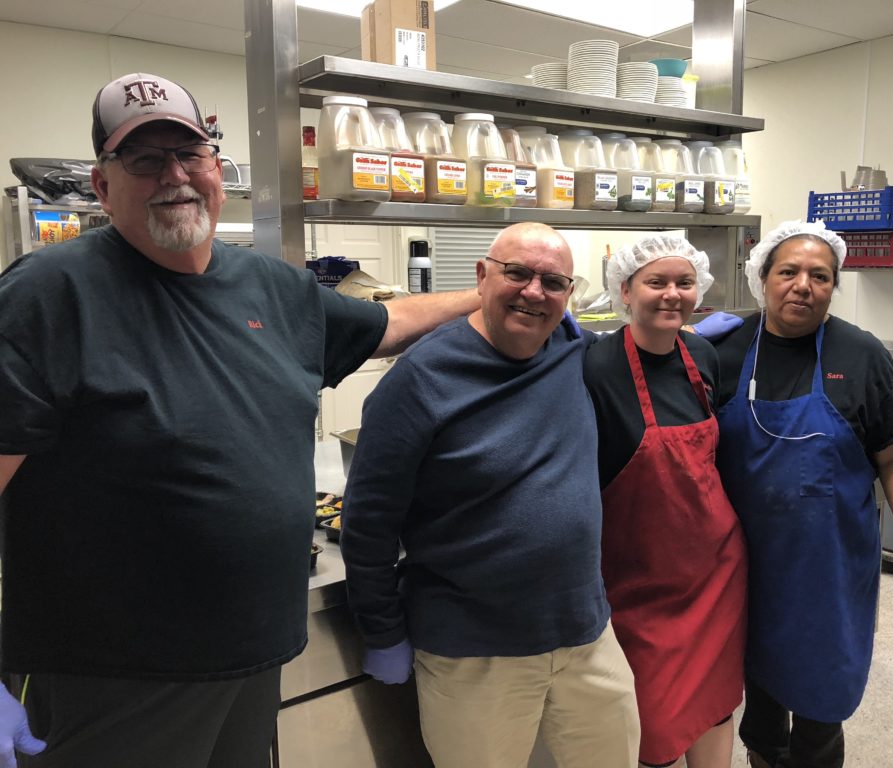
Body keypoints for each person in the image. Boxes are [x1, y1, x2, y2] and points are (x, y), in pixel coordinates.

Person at [0, 71, 478, 768]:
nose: (175, 175)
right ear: (102, 187)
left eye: (190, 154)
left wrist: (496, 287)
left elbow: (390, 322)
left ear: (217, 169)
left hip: (252, 659)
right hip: (111, 677)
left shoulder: (272, 287)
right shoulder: (49, 295)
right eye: (145, 159)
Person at [341, 222, 641, 768]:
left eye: (553, 282)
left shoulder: (573, 350)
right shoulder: (419, 380)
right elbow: (370, 522)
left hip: (585, 635)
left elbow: (643, 345)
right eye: (518, 273)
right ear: (481, 276)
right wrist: (382, 630)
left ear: (568, 296)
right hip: (474, 653)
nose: (534, 292)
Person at [711, 220, 893, 768]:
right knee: (757, 679)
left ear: (834, 286)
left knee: (821, 684)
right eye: (788, 272)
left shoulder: (860, 355)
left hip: (827, 562)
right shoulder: (726, 349)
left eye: (820, 275)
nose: (803, 285)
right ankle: (763, 755)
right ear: (762, 278)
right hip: (742, 558)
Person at [583, 235, 747, 768]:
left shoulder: (702, 354)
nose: (672, 294)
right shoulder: (595, 367)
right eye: (656, 282)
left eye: (684, 282)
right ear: (625, 291)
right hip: (638, 580)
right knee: (654, 721)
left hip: (715, 570)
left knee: (717, 705)